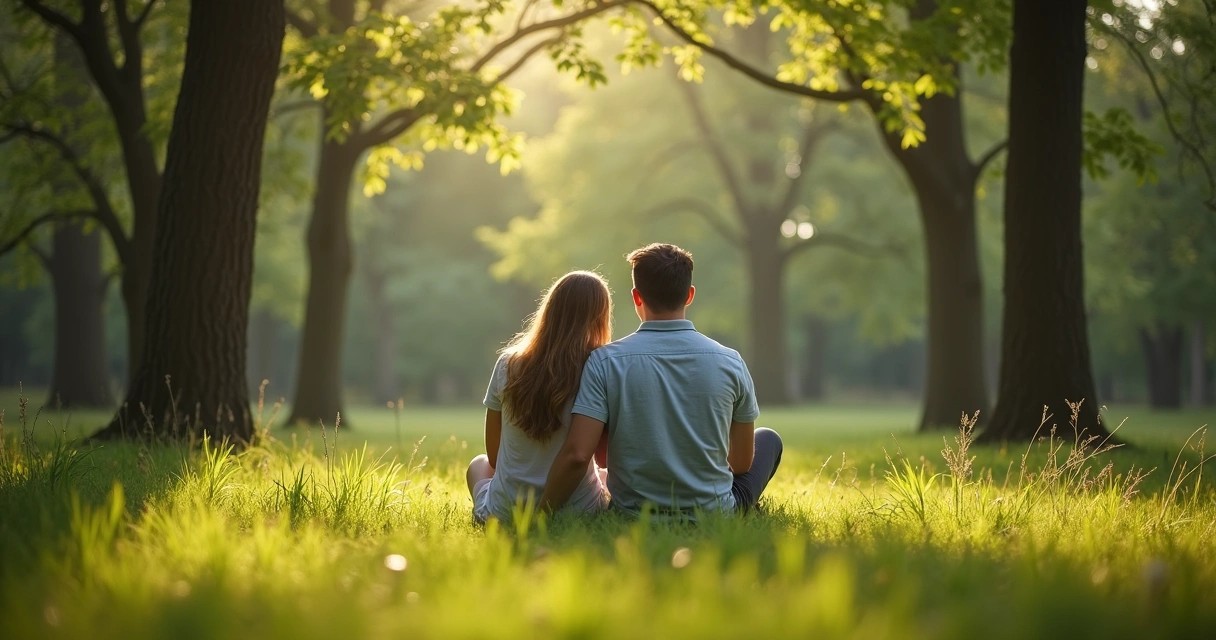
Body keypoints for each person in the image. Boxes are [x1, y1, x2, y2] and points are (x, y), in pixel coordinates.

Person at [539, 243, 783, 518]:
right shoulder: (730, 361)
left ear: (636, 297)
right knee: (769, 439)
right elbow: (740, 463)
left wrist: (539, 515)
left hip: (632, 513)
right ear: (689, 295)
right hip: (712, 512)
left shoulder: (604, 361)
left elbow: (582, 453)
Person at [465, 271, 612, 524]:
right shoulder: (600, 367)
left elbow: (494, 457)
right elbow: (602, 456)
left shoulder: (508, 363)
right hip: (578, 512)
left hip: (503, 514)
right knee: (607, 474)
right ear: (600, 318)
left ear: (550, 310)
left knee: (478, 465)